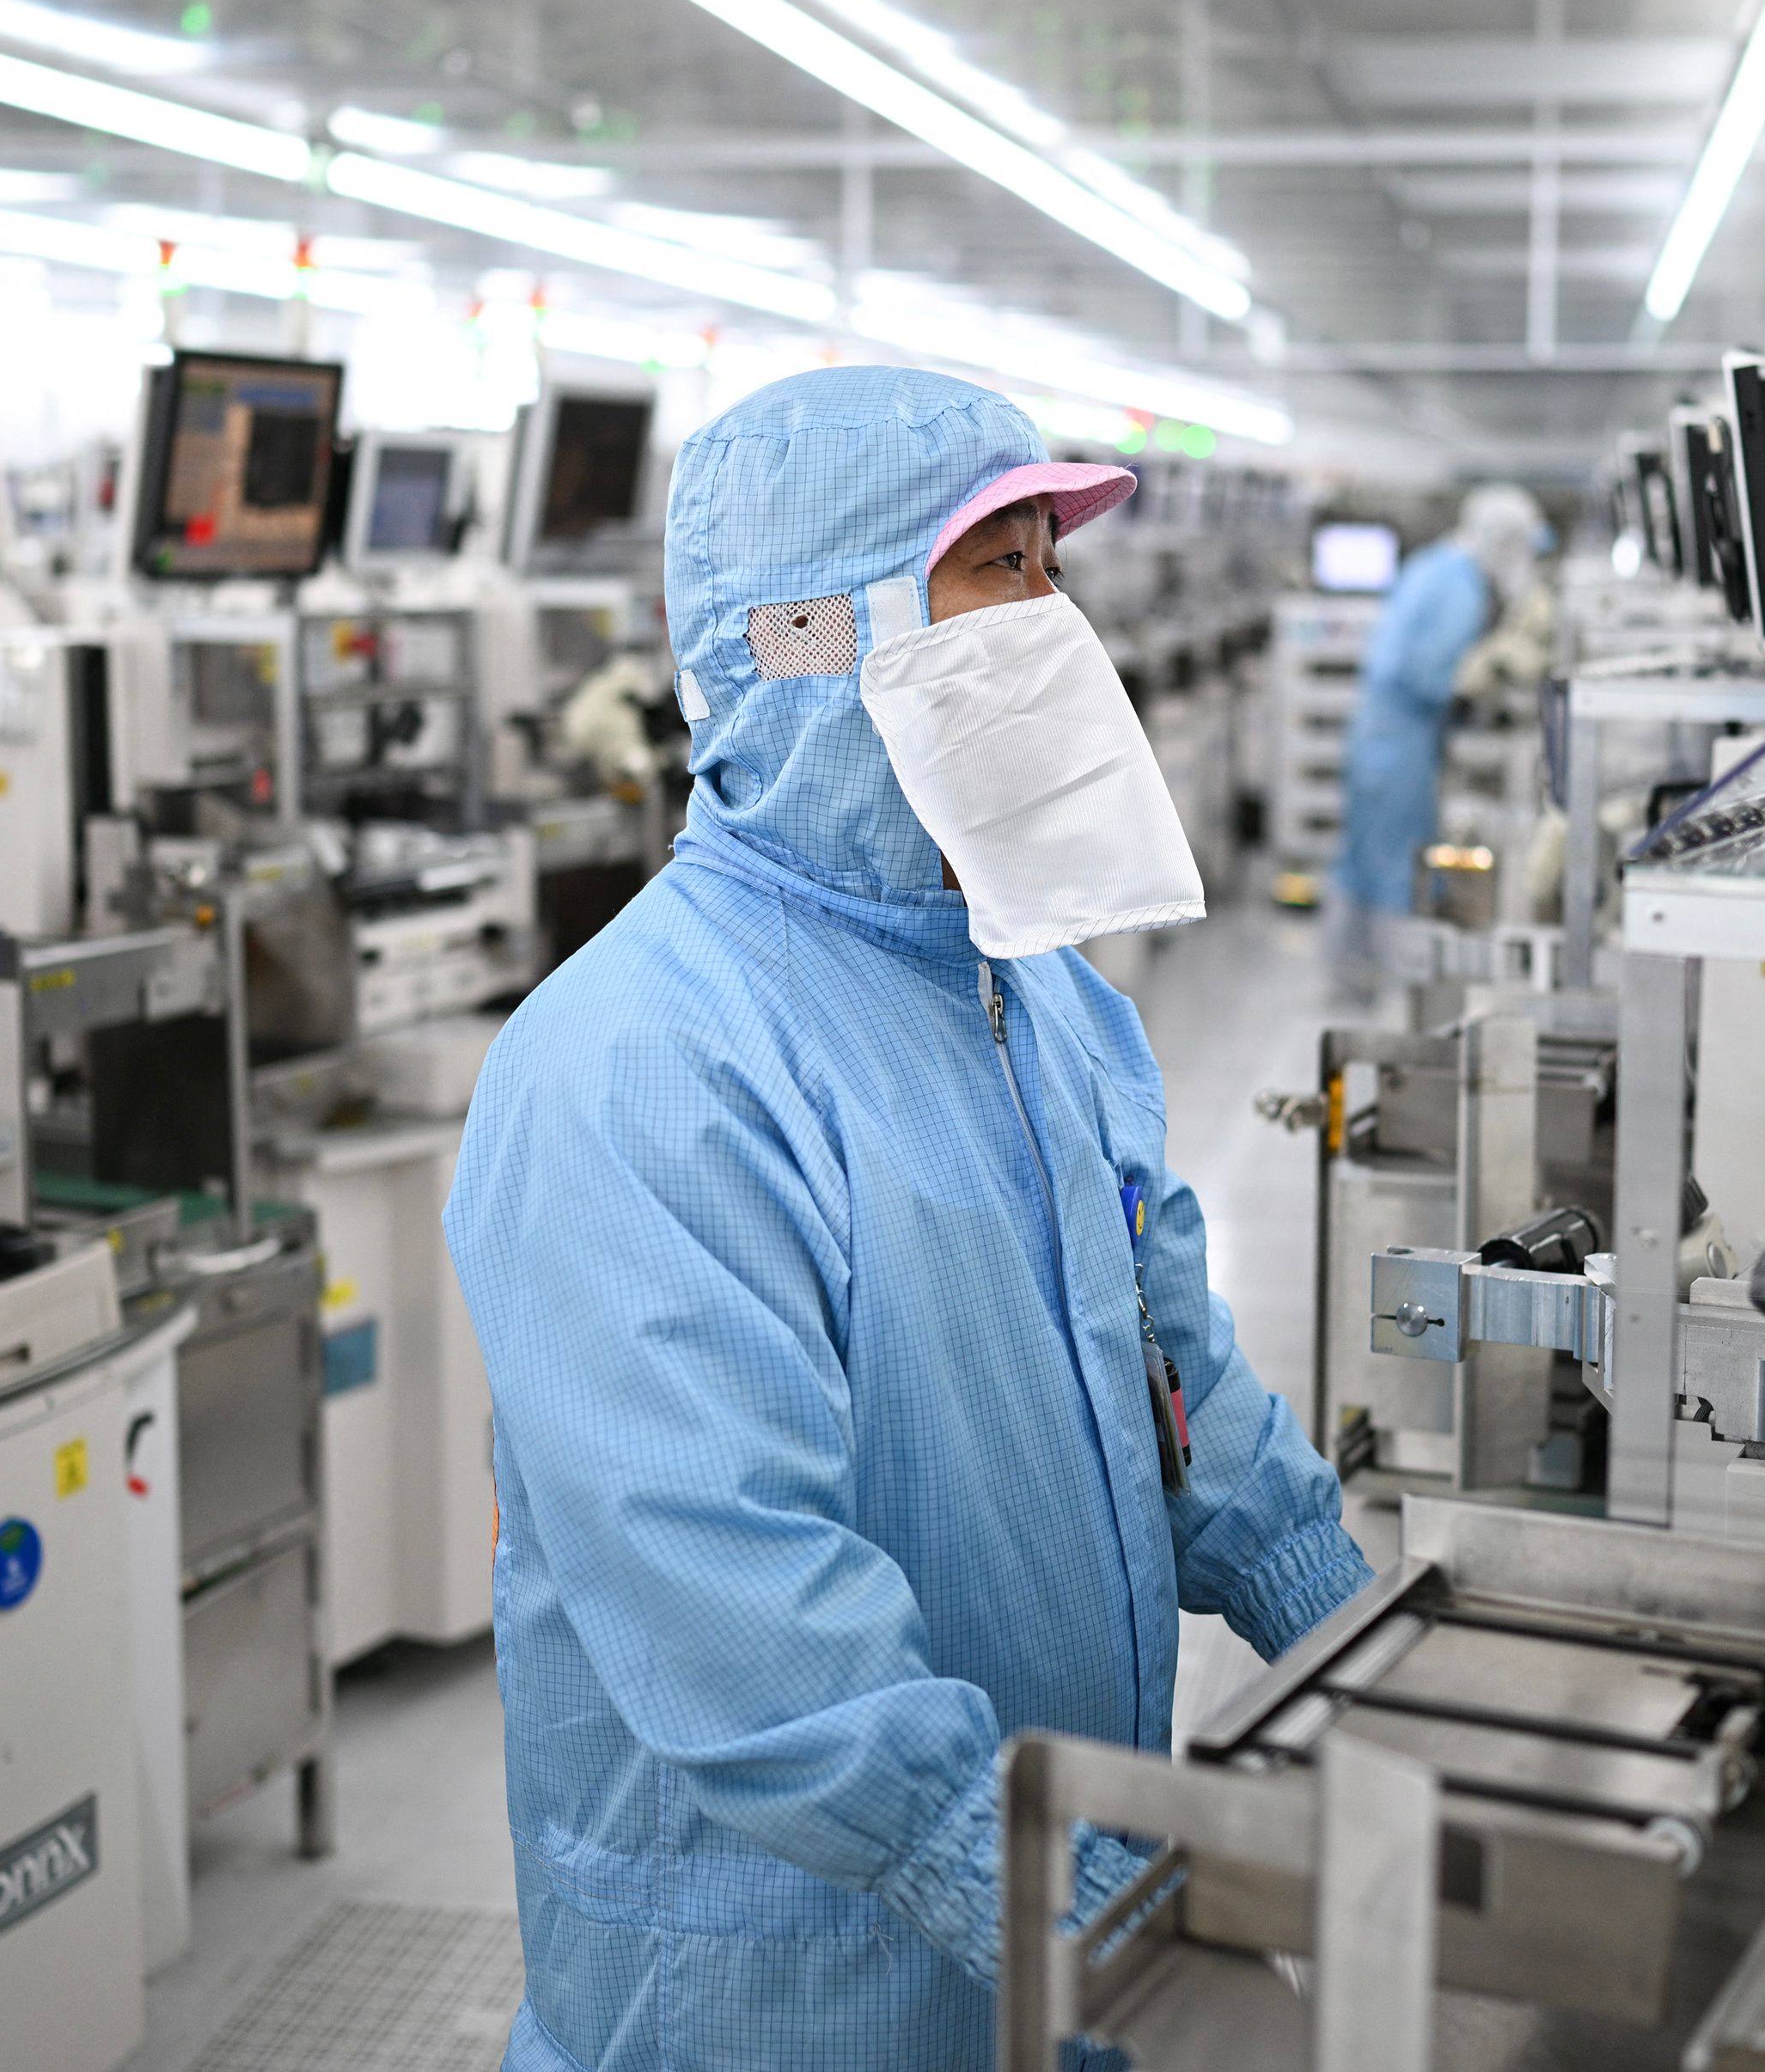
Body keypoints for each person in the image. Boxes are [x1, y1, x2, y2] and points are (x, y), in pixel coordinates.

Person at [445, 365, 1373, 2072]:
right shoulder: (637, 1071)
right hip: (782, 1993)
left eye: (1049, 565)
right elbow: (742, 1610)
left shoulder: (1044, 1001)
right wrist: (1079, 1913)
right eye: (998, 569)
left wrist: (1357, 1646)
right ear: (809, 637)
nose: (1052, 622)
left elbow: (1185, 1397)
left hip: (1031, 1942)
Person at [1326, 482, 1546, 997]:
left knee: (1363, 856)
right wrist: (1478, 685)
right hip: (1400, 741)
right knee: (1397, 864)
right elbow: (1428, 674)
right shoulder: (1462, 587)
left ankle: (1351, 975)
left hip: (1379, 735)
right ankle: (1395, 987)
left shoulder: (1437, 565)